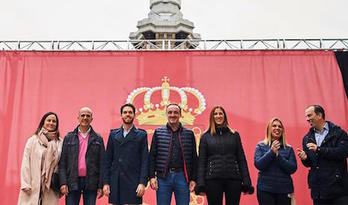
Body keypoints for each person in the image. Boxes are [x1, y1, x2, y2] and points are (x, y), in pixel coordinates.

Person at [195, 106, 253, 205]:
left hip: (233, 179)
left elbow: (241, 159)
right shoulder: (205, 137)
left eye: (220, 113)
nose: (218, 116)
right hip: (212, 180)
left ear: (224, 116)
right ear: (212, 117)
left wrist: (246, 181)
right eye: (215, 114)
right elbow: (202, 161)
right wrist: (200, 183)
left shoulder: (235, 135)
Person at [297, 105, 348, 205]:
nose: (307, 119)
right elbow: (309, 164)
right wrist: (305, 158)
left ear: (319, 115)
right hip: (318, 192)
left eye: (309, 115)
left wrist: (319, 149)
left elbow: (343, 152)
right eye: (306, 117)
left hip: (338, 190)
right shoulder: (307, 138)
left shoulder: (339, 133)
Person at [149, 103, 198, 205]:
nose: (173, 115)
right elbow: (152, 156)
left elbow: (194, 158)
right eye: (170, 112)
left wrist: (193, 179)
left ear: (180, 115)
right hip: (163, 178)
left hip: (183, 178)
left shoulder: (189, 134)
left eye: (176, 112)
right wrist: (152, 177)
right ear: (166, 114)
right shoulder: (158, 132)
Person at [103, 103, 149, 205]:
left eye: (130, 112)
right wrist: (106, 182)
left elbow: (145, 161)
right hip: (116, 181)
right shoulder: (113, 134)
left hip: (134, 182)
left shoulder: (141, 135)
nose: (127, 114)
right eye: (125, 112)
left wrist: (142, 183)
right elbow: (107, 161)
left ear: (134, 115)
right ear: (121, 115)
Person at [59, 107, 105, 205]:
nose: (85, 118)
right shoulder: (69, 137)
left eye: (88, 116)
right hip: (72, 180)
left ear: (92, 119)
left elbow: (102, 164)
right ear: (78, 118)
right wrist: (63, 182)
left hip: (91, 182)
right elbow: (63, 162)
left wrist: (101, 185)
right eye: (82, 115)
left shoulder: (98, 138)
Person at [18, 112, 63, 205]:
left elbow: (62, 165)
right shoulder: (33, 140)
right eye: (49, 120)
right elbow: (26, 162)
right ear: (43, 122)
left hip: (50, 186)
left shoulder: (60, 142)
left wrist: (61, 184)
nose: (51, 123)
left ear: (56, 124)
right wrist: (25, 183)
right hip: (32, 183)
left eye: (54, 121)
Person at [254, 118, 297, 205]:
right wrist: (271, 152)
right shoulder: (260, 146)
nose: (277, 128)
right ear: (269, 129)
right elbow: (259, 165)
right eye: (274, 126)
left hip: (284, 190)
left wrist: (278, 156)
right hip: (265, 190)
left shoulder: (288, 148)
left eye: (280, 126)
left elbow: (292, 168)